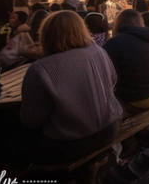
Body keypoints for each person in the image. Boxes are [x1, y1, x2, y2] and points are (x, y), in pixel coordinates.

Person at [20, 11, 122, 163]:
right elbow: (113, 83)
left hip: (72, 142)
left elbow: (31, 120)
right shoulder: (99, 51)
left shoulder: (40, 69)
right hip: (110, 129)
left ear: (46, 35)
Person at [104, 9, 149, 111]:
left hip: (137, 99)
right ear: (140, 22)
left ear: (118, 24)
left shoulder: (114, 43)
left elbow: (105, 76)